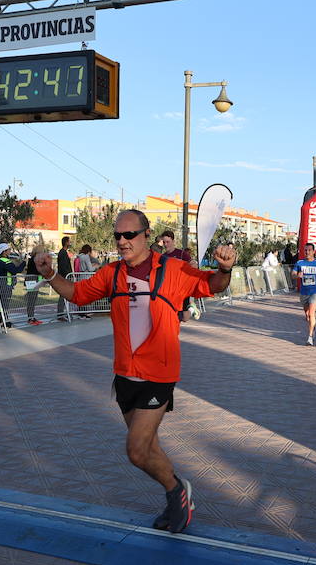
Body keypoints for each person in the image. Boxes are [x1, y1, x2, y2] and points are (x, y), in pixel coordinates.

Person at [36, 209, 234, 533]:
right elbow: (78, 295)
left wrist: (225, 268)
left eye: (129, 235)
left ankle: (176, 491)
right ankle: (177, 493)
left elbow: (213, 285)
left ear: (146, 235)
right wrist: (50, 276)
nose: (123, 241)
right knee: (148, 446)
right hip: (125, 374)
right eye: (118, 236)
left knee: (136, 449)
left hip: (159, 374)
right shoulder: (111, 273)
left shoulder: (172, 269)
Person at [292, 242, 316, 345]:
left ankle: (310, 337)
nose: (307, 252)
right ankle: (312, 326)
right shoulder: (300, 263)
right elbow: (292, 274)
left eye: (309, 250)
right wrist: (297, 276)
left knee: (312, 313)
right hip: (304, 292)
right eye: (305, 250)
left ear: (314, 251)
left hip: (315, 291)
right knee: (307, 315)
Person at [22, 250, 46, 326]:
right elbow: (36, 270)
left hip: (35, 281)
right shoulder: (33, 260)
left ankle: (32, 316)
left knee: (34, 299)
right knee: (31, 299)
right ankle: (30, 317)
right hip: (31, 281)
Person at [55, 236, 76, 322]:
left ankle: (63, 313)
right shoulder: (62, 253)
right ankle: (60, 314)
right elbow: (63, 267)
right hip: (64, 278)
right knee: (63, 296)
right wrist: (68, 275)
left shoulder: (64, 252)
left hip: (65, 277)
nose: (70, 243)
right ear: (66, 242)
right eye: (69, 241)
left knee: (65, 296)